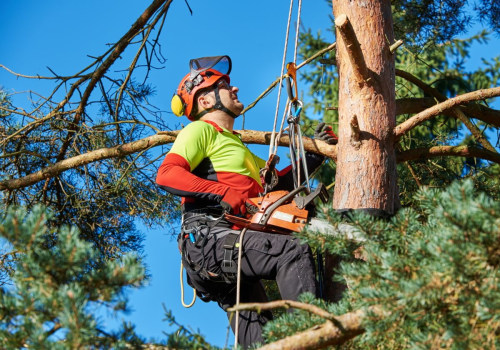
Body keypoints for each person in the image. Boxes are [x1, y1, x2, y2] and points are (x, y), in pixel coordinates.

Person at [156, 56, 337, 348]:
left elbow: (280, 185)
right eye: (224, 85)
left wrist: (314, 155)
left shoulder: (238, 148)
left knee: (261, 341)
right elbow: (167, 174)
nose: (235, 88)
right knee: (291, 251)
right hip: (209, 239)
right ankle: (313, 337)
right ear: (204, 102)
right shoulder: (201, 130)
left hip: (228, 249)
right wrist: (221, 193)